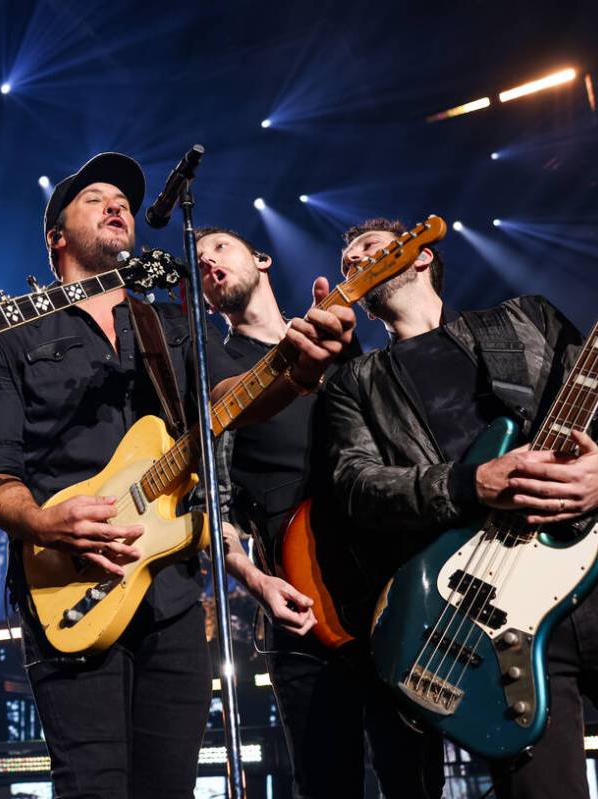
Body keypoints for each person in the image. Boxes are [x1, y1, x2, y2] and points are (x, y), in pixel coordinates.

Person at [0, 152, 356, 798]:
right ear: (56, 236)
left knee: (168, 785)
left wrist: (296, 368)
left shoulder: (169, 325)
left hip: (172, 591)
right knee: (93, 784)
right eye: (95, 196)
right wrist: (41, 519)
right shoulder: (11, 337)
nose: (116, 203)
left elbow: (226, 402)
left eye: (122, 198)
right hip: (69, 584)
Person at [324, 217, 598, 798]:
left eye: (370, 249)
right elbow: (356, 485)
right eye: (347, 262)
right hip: (484, 611)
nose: (356, 262)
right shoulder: (357, 381)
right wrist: (469, 484)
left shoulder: (524, 319)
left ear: (420, 255)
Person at [195, 226, 442, 798]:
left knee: (418, 778)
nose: (208, 261)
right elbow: (208, 504)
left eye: (221, 248)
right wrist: (254, 581)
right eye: (199, 258)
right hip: (300, 602)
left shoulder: (344, 346)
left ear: (260, 259)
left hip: (390, 591)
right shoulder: (212, 369)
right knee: (327, 783)